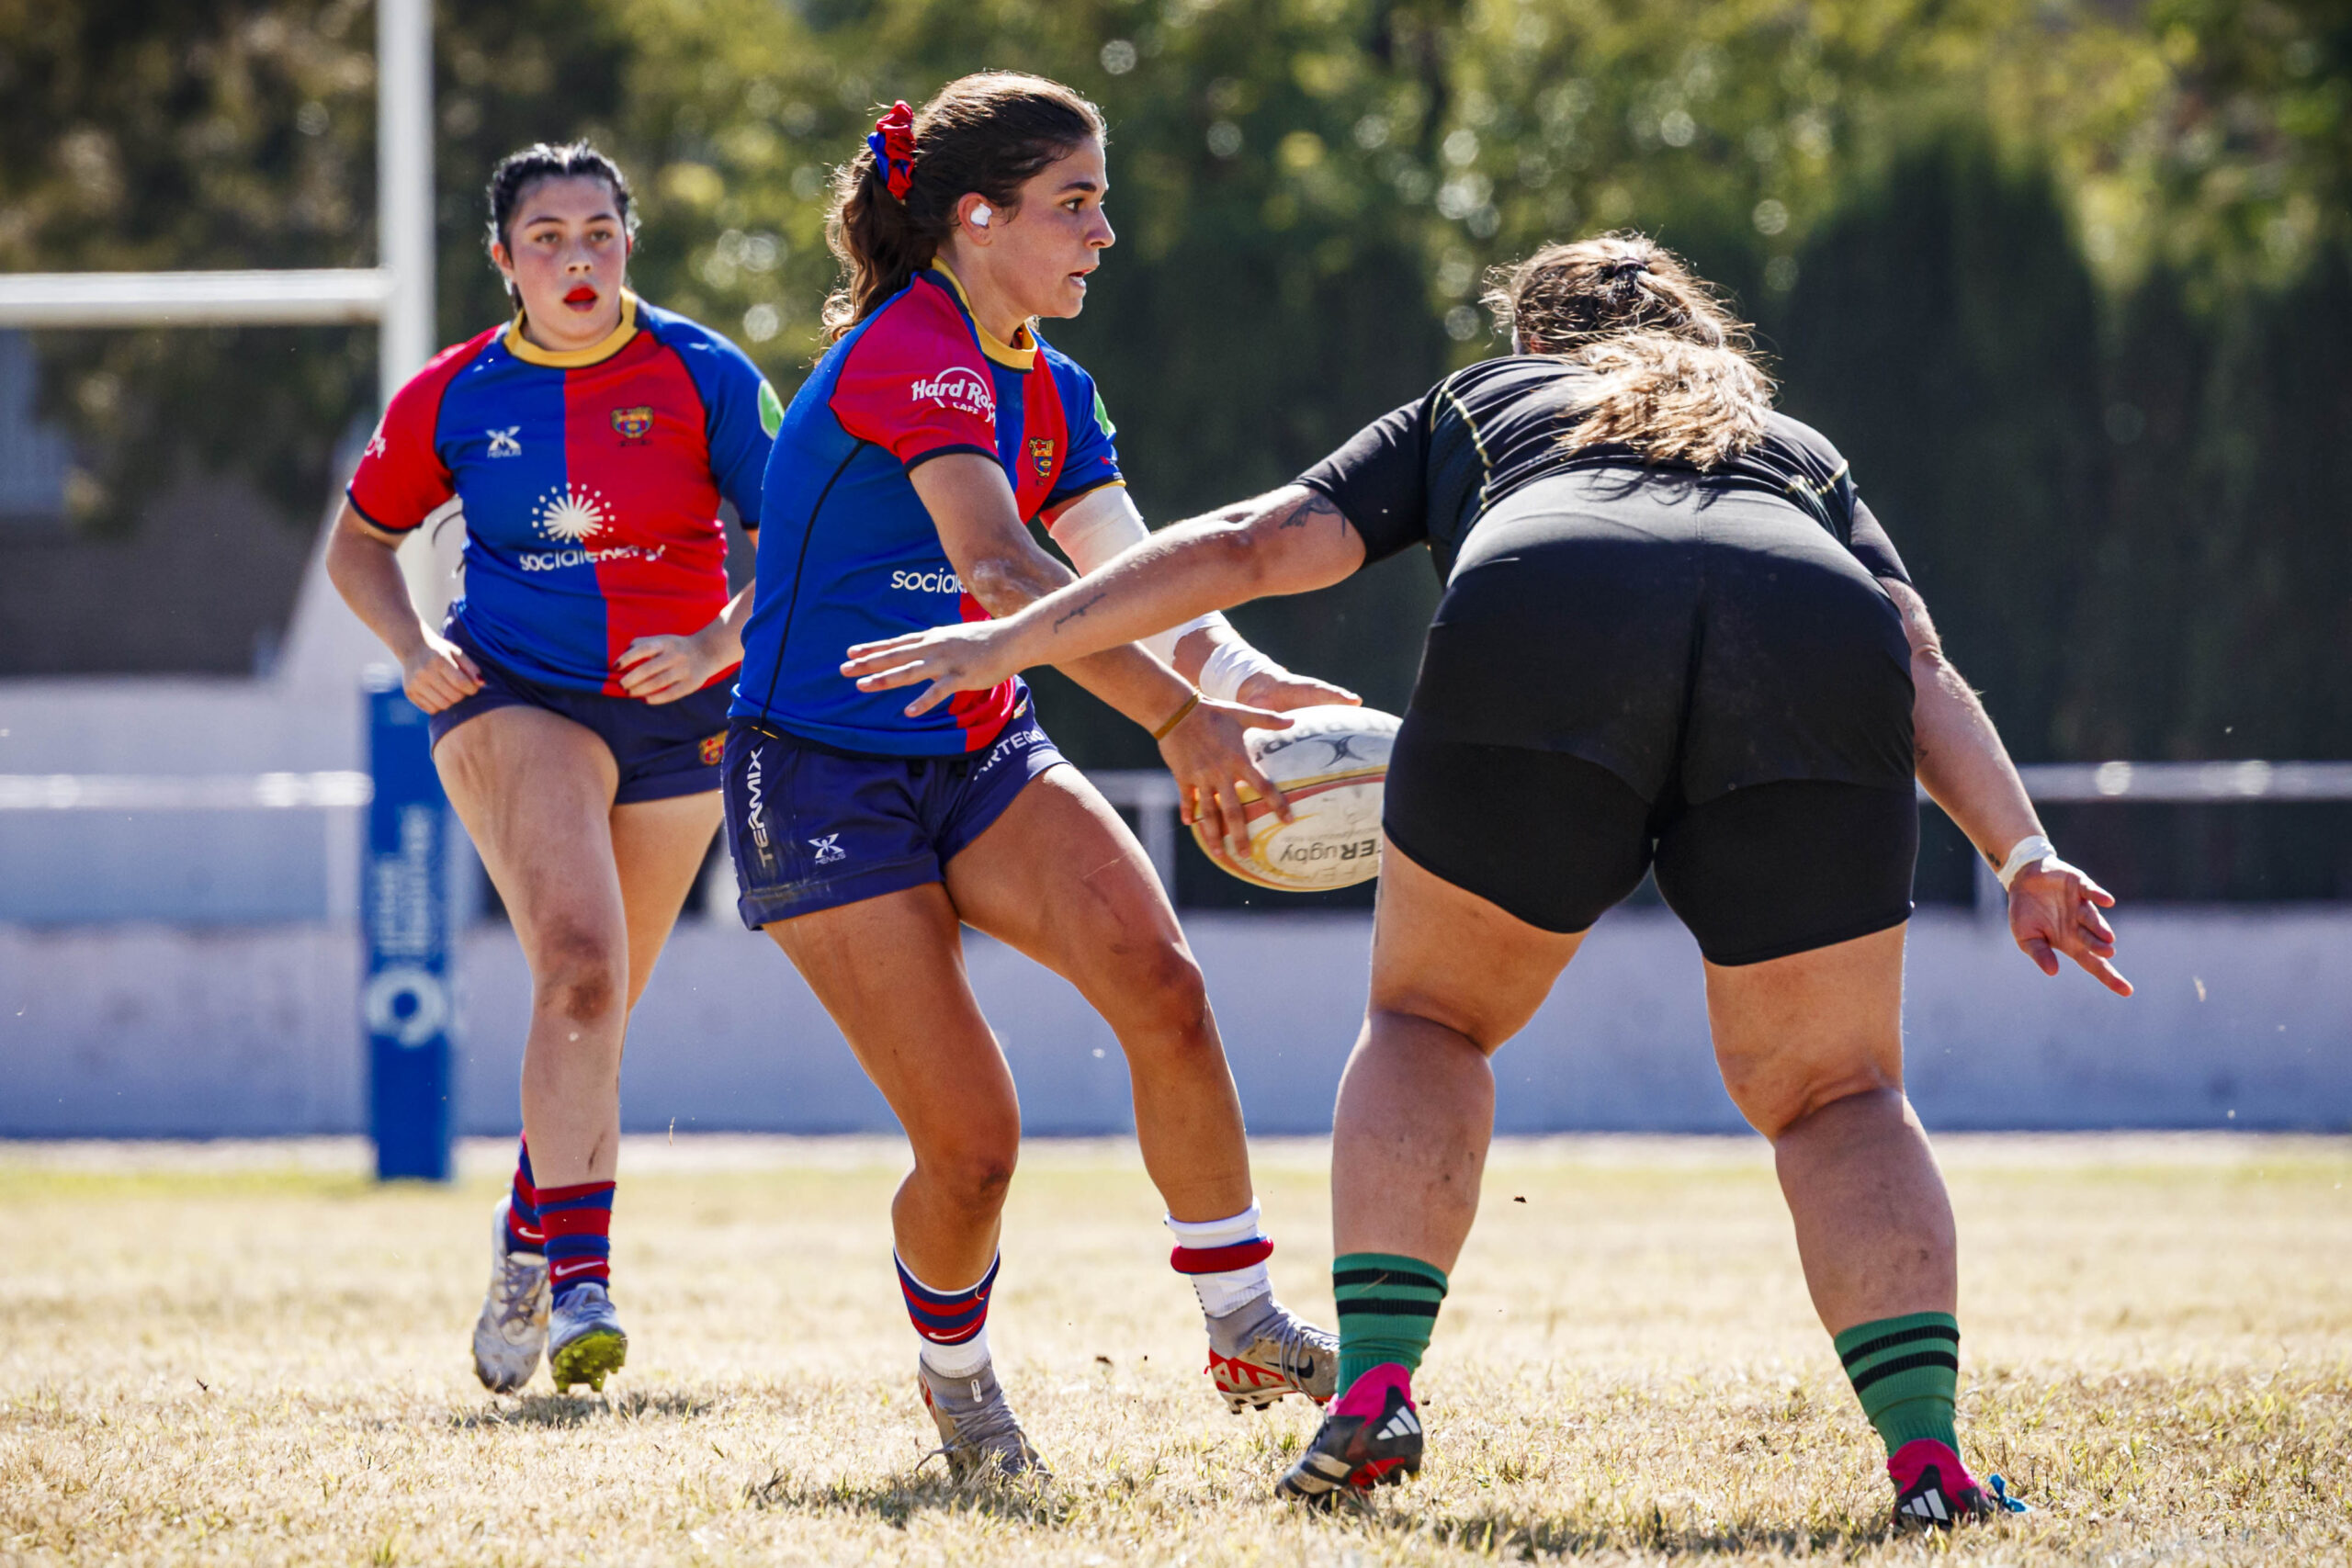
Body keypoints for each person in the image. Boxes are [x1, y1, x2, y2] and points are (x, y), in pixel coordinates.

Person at [842, 232, 2134, 1527]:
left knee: (1432, 1022)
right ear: (1703, 339)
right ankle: (1929, 1470)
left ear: (1534, 342)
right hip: (1804, 630)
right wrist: (2024, 854)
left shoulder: (1487, 399)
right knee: (1838, 1091)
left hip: (1550, 602)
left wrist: (1016, 636)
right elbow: (1914, 659)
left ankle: (1376, 1392)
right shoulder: (1788, 441)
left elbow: (1255, 542)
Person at [723, 74, 1354, 1480]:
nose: (1104, 233)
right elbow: (1006, 575)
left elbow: (1143, 584)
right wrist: (1182, 727)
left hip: (979, 747)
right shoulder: (916, 350)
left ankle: (1241, 1316)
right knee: (975, 1148)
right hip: (820, 775)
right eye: (1075, 204)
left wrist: (1247, 690)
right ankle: (957, 1386)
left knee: (1165, 986)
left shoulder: (1054, 386)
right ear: (976, 217)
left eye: (1100, 201)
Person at [326, 141, 779, 1396]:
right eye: (546, 238)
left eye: (598, 231)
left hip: (680, 707)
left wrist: (714, 642)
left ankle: (523, 1235)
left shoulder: (704, 372)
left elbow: (792, 539)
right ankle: (584, 1276)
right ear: (503, 260)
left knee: (598, 1006)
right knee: (577, 965)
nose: (576, 258)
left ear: (630, 239)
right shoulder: (454, 392)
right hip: (509, 693)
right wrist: (412, 646)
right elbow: (358, 547)